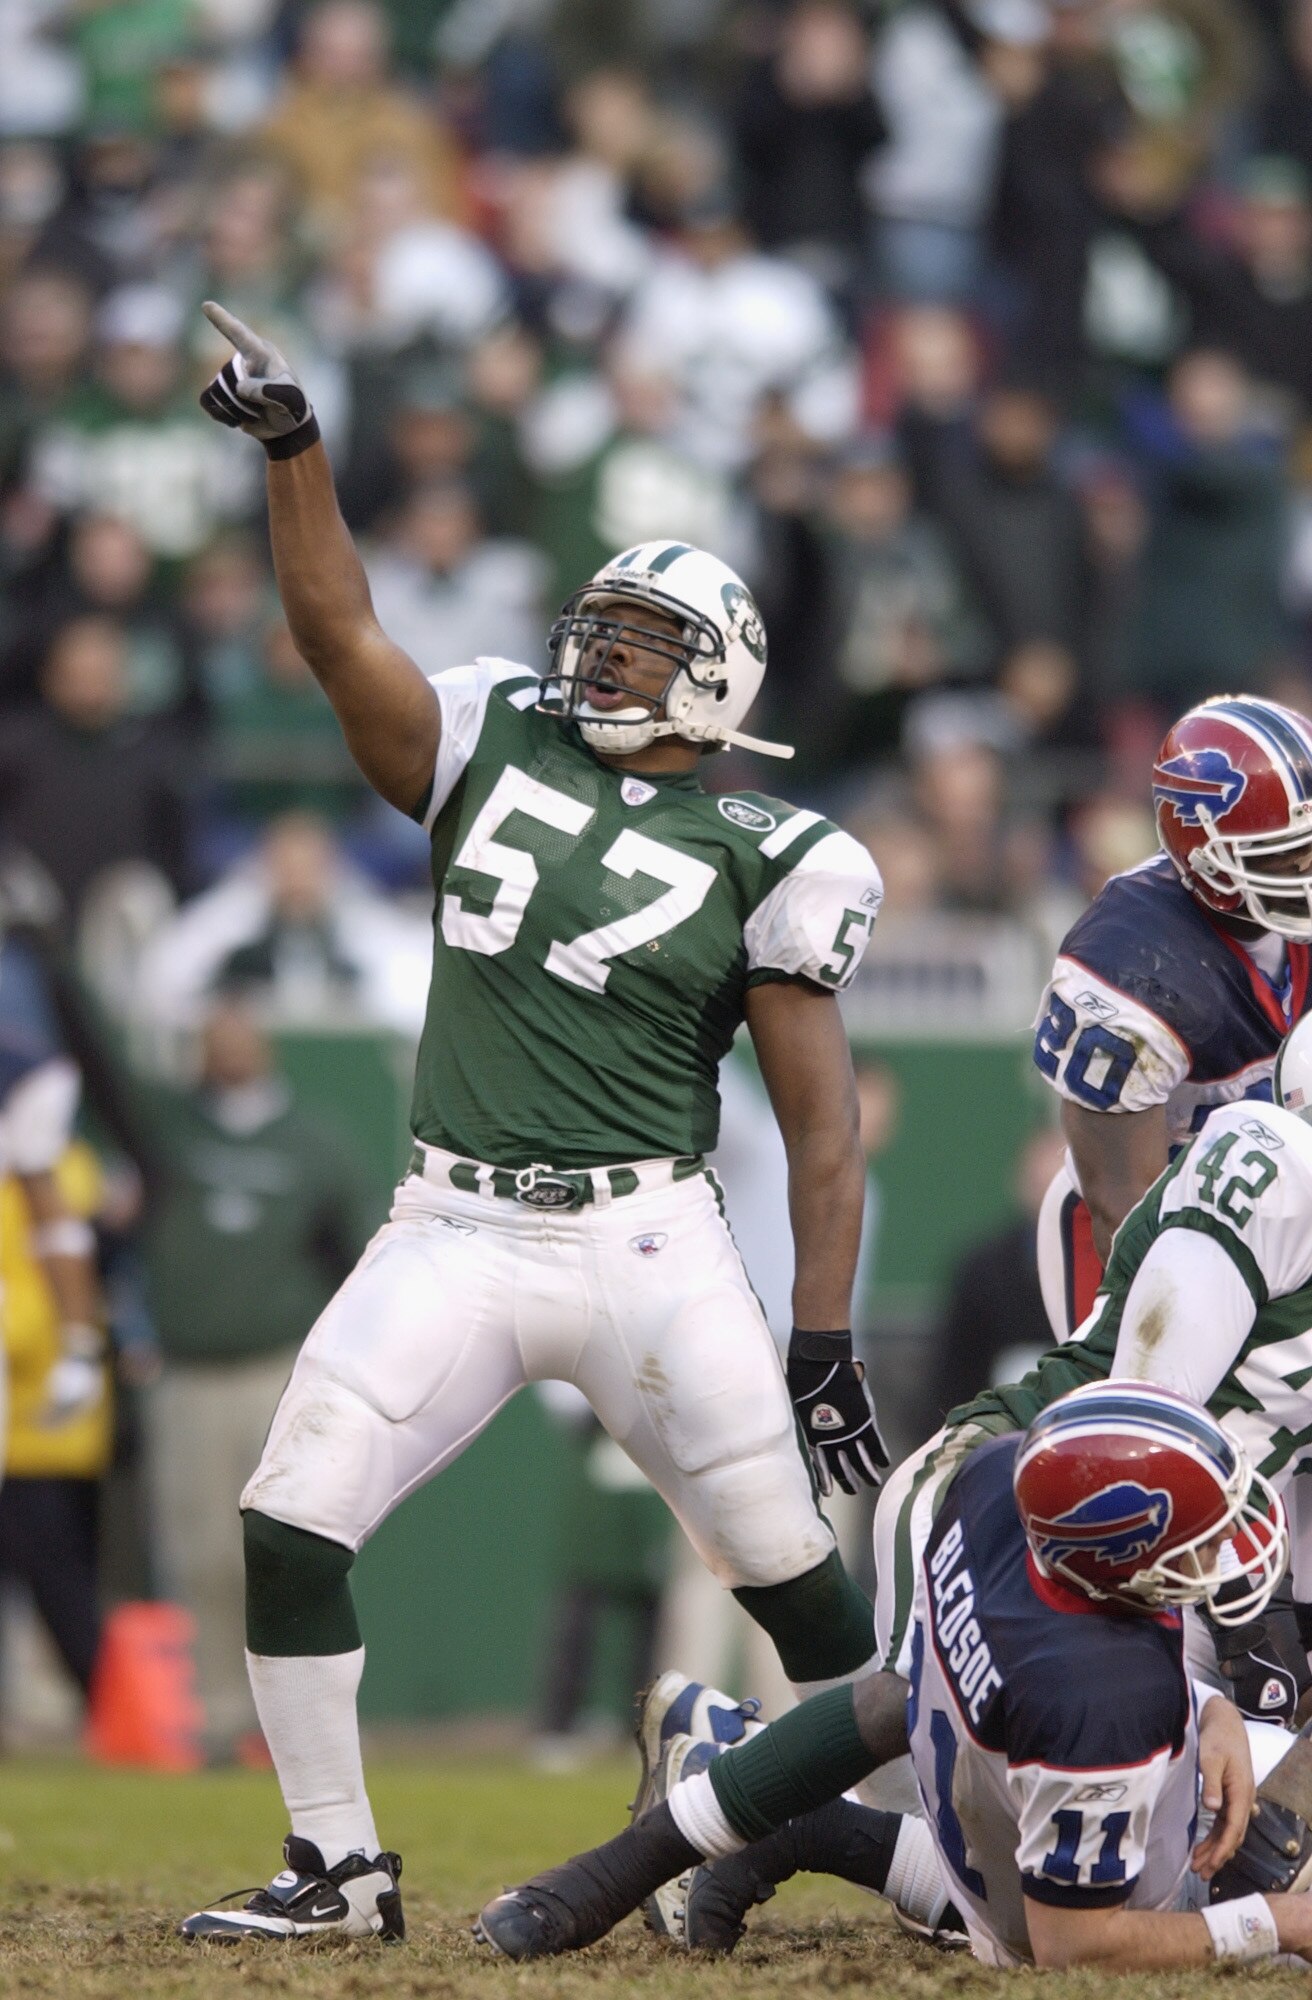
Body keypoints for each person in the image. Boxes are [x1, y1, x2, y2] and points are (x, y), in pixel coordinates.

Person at [179, 304, 888, 1942]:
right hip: (456, 1221)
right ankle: (338, 1869)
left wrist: (825, 1335)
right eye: (603, 625)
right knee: (292, 1523)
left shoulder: (775, 854)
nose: (599, 654)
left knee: (800, 1591)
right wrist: (299, 456)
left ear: (707, 680)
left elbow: (824, 1132)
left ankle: (902, 1842)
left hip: (650, 1239)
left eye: (636, 640)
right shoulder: (492, 729)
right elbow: (336, 627)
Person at [473, 1382, 1312, 1971]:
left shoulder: (994, 1486)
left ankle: (794, 1817)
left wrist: (1205, 1712)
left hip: (997, 1820)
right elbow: (1075, 1948)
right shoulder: (1104, 1696)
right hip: (1081, 1903)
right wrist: (1272, 1922)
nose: (1226, 1550)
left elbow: (893, 1703)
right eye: (1202, 1535)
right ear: (1112, 1552)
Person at [1033, 694, 1312, 1344]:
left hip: (1288, 1209)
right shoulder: (1135, 967)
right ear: (1208, 857)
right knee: (1152, 1425)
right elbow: (1124, 1211)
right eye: (1287, 855)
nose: (1307, 871)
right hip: (1158, 1224)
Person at [144, 997, 375, 1763]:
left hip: (279, 1369)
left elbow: (357, 1256)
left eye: (242, 1031)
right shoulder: (170, 1130)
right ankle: (216, 1718)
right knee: (200, 1551)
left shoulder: (314, 1143)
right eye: (215, 1033)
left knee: (289, 1547)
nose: (229, 1047)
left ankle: (298, 1725)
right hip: (189, 1372)